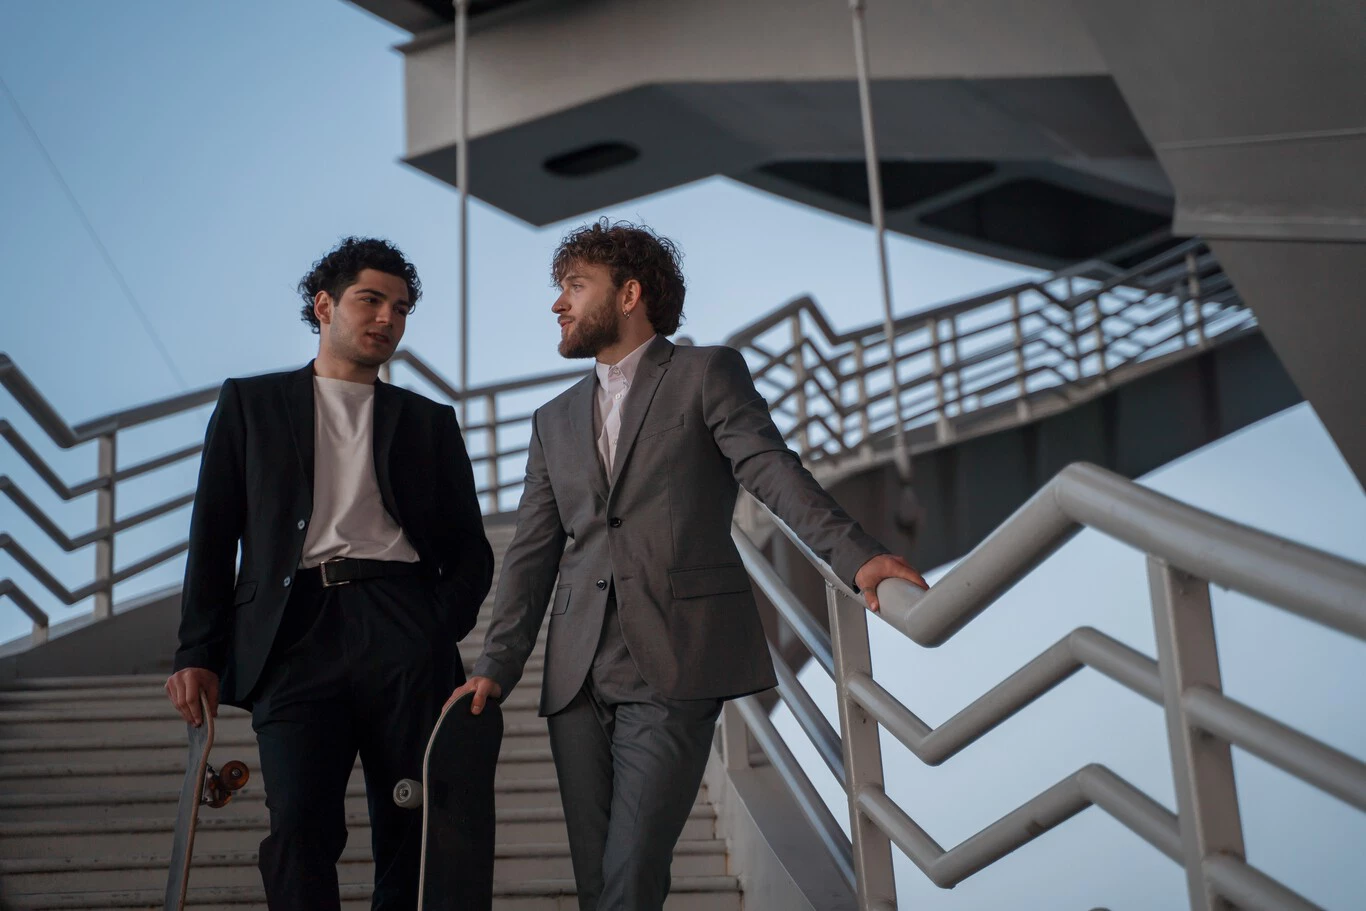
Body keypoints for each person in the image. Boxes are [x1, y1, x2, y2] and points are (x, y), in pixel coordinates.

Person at [449, 219, 927, 910]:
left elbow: (770, 470)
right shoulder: (553, 418)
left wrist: (856, 557)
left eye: (575, 286)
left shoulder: (705, 374)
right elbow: (530, 551)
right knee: (598, 886)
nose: (558, 303)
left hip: (674, 658)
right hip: (576, 676)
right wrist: (497, 662)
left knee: (632, 873)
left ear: (629, 294)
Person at [165, 237, 494, 910]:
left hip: (401, 622)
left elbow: (470, 547)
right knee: (297, 826)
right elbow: (213, 532)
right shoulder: (251, 404)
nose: (388, 318)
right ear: (324, 306)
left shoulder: (429, 422)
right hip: (293, 634)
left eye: (401, 308)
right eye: (371, 300)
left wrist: (434, 626)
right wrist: (197, 650)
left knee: (415, 827)